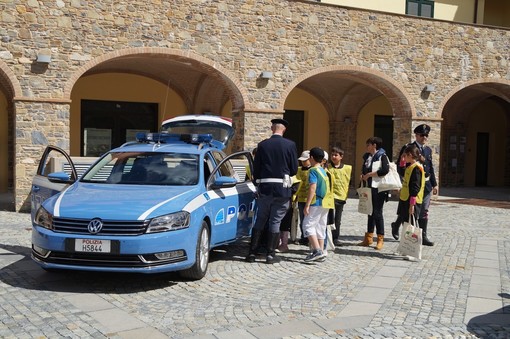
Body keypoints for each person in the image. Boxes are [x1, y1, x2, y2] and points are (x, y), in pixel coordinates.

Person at [245, 118, 298, 264]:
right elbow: (293, 169)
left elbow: (256, 168)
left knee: (260, 219)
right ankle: (270, 254)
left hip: (265, 188)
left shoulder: (262, 145)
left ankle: (252, 253)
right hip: (282, 189)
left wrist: (258, 184)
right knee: (275, 221)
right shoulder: (290, 145)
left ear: (271, 128)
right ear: (284, 129)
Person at [391, 124, 437, 246]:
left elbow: (430, 168)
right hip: (412, 185)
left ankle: (423, 236)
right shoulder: (409, 148)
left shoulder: (427, 150)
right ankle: (398, 227)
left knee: (424, 211)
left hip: (426, 185)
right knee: (408, 211)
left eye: (426, 135)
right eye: (422, 135)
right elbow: (401, 165)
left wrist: (434, 184)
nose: (424, 137)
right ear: (416, 135)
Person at [302, 147, 334, 263]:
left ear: (311, 157)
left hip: (316, 202)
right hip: (325, 202)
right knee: (321, 226)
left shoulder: (313, 170)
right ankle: (322, 250)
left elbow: (312, 187)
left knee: (308, 225)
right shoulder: (324, 170)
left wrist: (307, 204)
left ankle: (316, 251)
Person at [358, 137, 390, 250]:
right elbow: (364, 169)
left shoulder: (382, 156)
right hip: (369, 187)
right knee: (369, 212)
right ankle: (369, 237)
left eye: (368, 144)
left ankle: (380, 238)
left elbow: (385, 170)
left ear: (374, 145)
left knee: (377, 213)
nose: (367, 147)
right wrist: (363, 175)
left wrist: (370, 175)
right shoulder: (367, 156)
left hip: (379, 188)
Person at [327, 147, 352, 246]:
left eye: (336, 155)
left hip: (341, 196)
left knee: (337, 219)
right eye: (332, 154)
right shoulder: (327, 167)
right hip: (330, 196)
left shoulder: (347, 168)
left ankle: (336, 237)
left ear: (341, 157)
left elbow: (348, 182)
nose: (333, 157)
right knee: (329, 219)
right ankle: (327, 237)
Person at [397, 144, 425, 226]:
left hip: (412, 200)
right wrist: (402, 162)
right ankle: (406, 238)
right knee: (405, 221)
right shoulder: (410, 167)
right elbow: (404, 174)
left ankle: (410, 239)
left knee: (410, 223)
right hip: (405, 198)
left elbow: (415, 187)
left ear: (410, 155)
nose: (404, 157)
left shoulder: (416, 168)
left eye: (405, 155)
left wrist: (412, 204)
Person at [296, 150, 311, 246]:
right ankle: (303, 237)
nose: (303, 162)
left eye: (305, 160)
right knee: (302, 219)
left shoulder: (313, 170)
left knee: (309, 220)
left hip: (309, 199)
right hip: (300, 198)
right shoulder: (298, 170)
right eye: (302, 160)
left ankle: (309, 237)